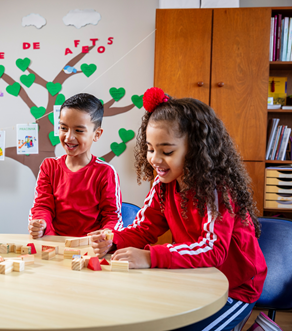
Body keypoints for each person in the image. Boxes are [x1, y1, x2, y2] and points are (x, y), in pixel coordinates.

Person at [90, 87, 267, 330]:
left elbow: (213, 249)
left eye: (167, 151)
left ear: (195, 150)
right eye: (151, 149)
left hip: (236, 286)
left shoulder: (216, 188)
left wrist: (152, 256)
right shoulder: (164, 183)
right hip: (194, 277)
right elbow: (144, 228)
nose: (155, 159)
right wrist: (113, 240)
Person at [28, 93, 122, 239]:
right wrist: (40, 224)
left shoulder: (105, 172)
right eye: (63, 128)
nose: (69, 137)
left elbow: (112, 217)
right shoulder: (49, 167)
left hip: (91, 247)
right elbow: (42, 207)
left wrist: (106, 237)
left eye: (78, 130)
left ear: (97, 134)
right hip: (55, 246)